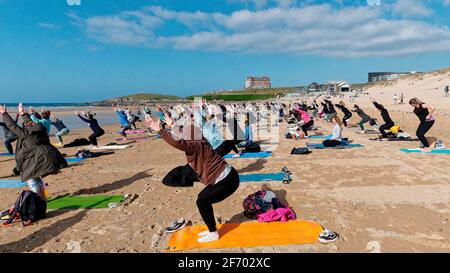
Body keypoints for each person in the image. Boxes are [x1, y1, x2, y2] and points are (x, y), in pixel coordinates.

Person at [146, 114, 240, 243]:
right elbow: (181, 136)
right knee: (202, 197)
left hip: (228, 181)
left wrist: (161, 131)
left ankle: (213, 233)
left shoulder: (195, 145)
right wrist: (172, 125)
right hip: (228, 176)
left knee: (202, 201)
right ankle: (211, 229)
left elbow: (178, 143)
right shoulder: (200, 140)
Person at [0, 103, 67, 202]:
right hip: (40, 158)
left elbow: (12, 126)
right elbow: (29, 122)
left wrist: (4, 114)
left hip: (33, 159)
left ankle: (38, 200)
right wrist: (23, 114)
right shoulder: (40, 129)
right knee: (37, 179)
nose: (26, 125)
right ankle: (43, 199)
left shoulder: (27, 134)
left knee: (31, 179)